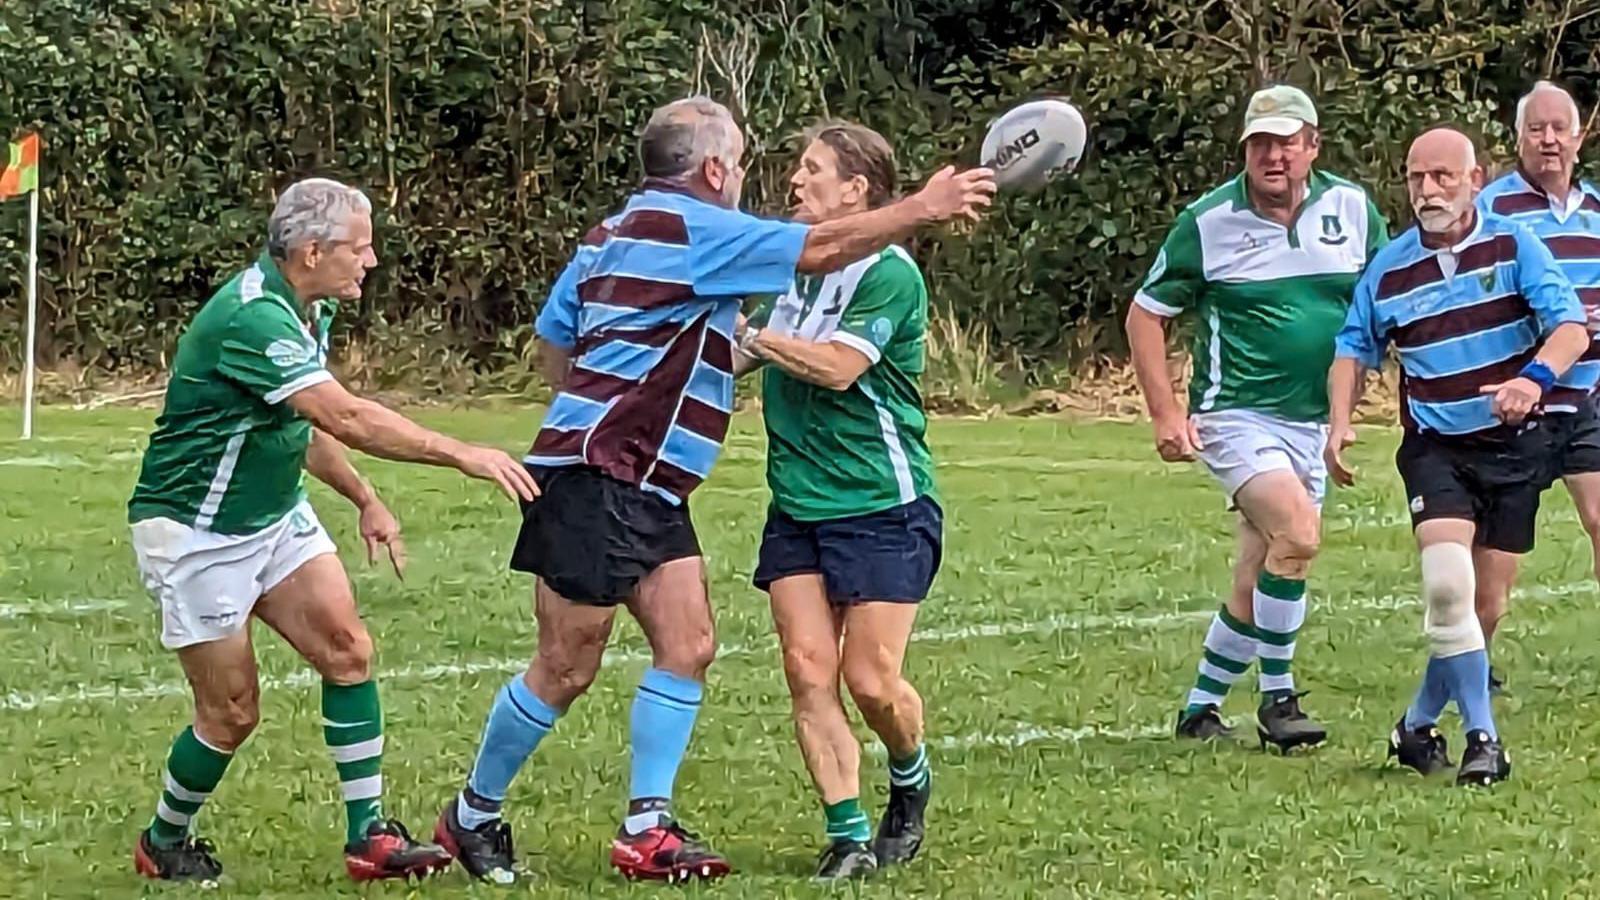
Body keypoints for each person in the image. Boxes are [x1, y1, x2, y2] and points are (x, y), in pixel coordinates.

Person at [433, 96, 994, 885]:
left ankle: (647, 828)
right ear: (716, 169)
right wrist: (924, 209)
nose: (775, 177)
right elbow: (822, 247)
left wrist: (619, 386)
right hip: (602, 476)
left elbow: (553, 347)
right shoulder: (697, 229)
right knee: (565, 665)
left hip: (649, 484)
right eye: (747, 159)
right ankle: (471, 817)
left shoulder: (610, 234)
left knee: (689, 643)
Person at [127, 178, 540, 883]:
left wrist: (363, 497)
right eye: (361, 246)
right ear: (312, 251)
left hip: (275, 513)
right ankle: (163, 840)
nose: (372, 260)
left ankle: (368, 837)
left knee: (349, 651)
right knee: (231, 715)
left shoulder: (305, 307)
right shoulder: (253, 318)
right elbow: (343, 415)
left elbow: (305, 423)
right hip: (197, 530)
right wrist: (461, 452)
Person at [1125, 85, 1388, 751]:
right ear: (1245, 148)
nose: (1273, 155)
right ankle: (1278, 698)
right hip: (1237, 415)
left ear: (1312, 145)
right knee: (1297, 534)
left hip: (1312, 423)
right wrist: (1166, 413)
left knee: (1261, 571)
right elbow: (1146, 313)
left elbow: (1387, 300)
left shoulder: (1353, 208)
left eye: (1285, 141)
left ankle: (1199, 709)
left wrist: (1360, 404)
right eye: (1260, 143)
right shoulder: (1208, 221)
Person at [1328, 127, 1588, 786]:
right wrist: (1338, 423)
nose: (1428, 190)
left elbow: (1569, 328)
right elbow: (1353, 347)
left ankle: (1416, 726)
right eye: (1417, 178)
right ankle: (1484, 739)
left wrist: (1533, 381)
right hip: (1436, 448)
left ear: (1476, 180)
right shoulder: (1388, 268)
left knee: (1483, 609)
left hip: (1514, 447)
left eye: (1443, 176)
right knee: (1448, 587)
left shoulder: (1513, 244)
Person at [734, 121, 939, 881]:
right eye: (797, 168)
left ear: (858, 191)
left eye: (813, 170)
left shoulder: (889, 273)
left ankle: (910, 775)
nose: (796, 181)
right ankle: (848, 834)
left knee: (870, 681)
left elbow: (838, 368)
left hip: (883, 503)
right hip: (797, 504)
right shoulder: (788, 268)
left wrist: (754, 338)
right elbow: (727, 356)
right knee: (806, 667)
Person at [1473, 81, 1600, 691]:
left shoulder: (1597, 211)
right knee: (1498, 562)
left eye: (1559, 128)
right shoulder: (1493, 208)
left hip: (1587, 399)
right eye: (1536, 129)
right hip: (1517, 403)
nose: (1548, 140)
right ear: (1519, 138)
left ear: (1579, 137)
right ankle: (1471, 659)